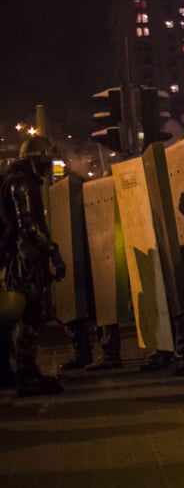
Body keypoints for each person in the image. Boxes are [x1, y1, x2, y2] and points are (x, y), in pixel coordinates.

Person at [0, 135, 67, 397]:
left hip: (22, 257)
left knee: (29, 317)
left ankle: (27, 372)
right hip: (26, 260)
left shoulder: (16, 180)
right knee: (29, 317)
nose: (49, 167)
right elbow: (29, 224)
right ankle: (27, 375)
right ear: (37, 160)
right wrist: (53, 251)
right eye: (46, 161)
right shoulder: (23, 184)